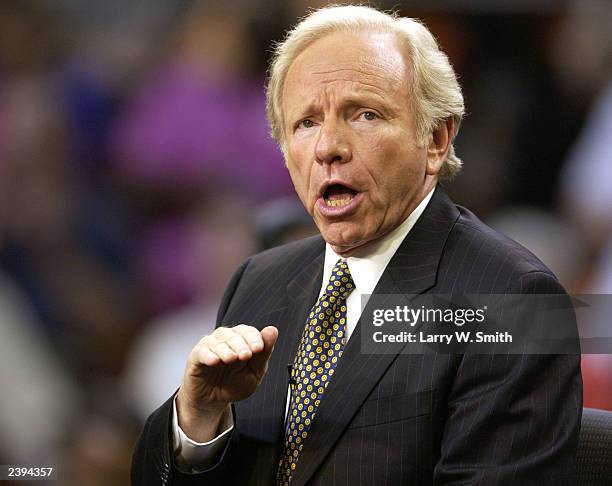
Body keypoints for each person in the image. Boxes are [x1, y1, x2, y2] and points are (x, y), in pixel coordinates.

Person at [131, 5, 582, 485]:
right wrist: (198, 425)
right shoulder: (257, 282)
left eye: (363, 114)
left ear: (435, 137)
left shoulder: (515, 302)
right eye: (305, 123)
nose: (328, 147)